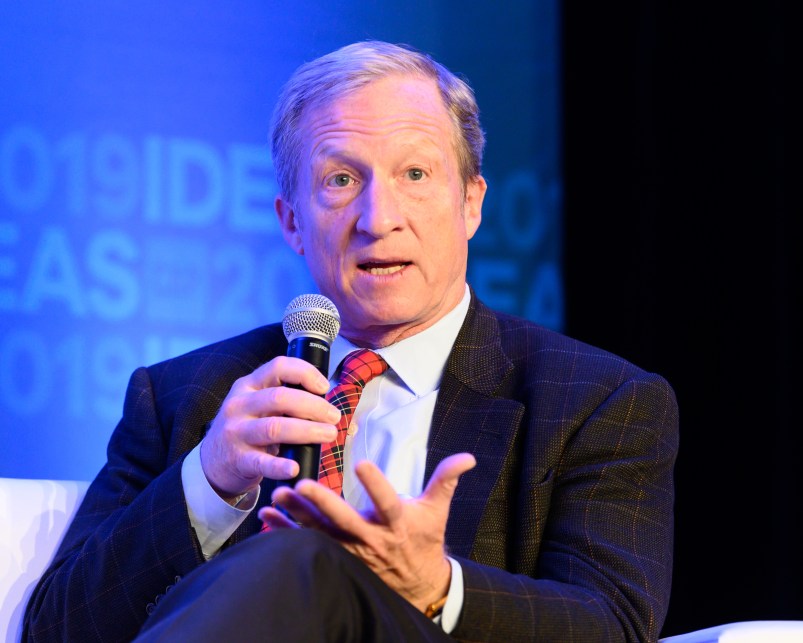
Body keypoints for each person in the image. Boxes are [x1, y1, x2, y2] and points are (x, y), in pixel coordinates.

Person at [23, 41, 678, 642]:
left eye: (415, 175)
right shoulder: (183, 399)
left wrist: (438, 589)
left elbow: (615, 626)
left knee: (301, 556)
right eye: (340, 180)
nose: (378, 218)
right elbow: (56, 628)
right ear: (291, 221)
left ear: (471, 203)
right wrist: (209, 481)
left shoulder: (595, 403)